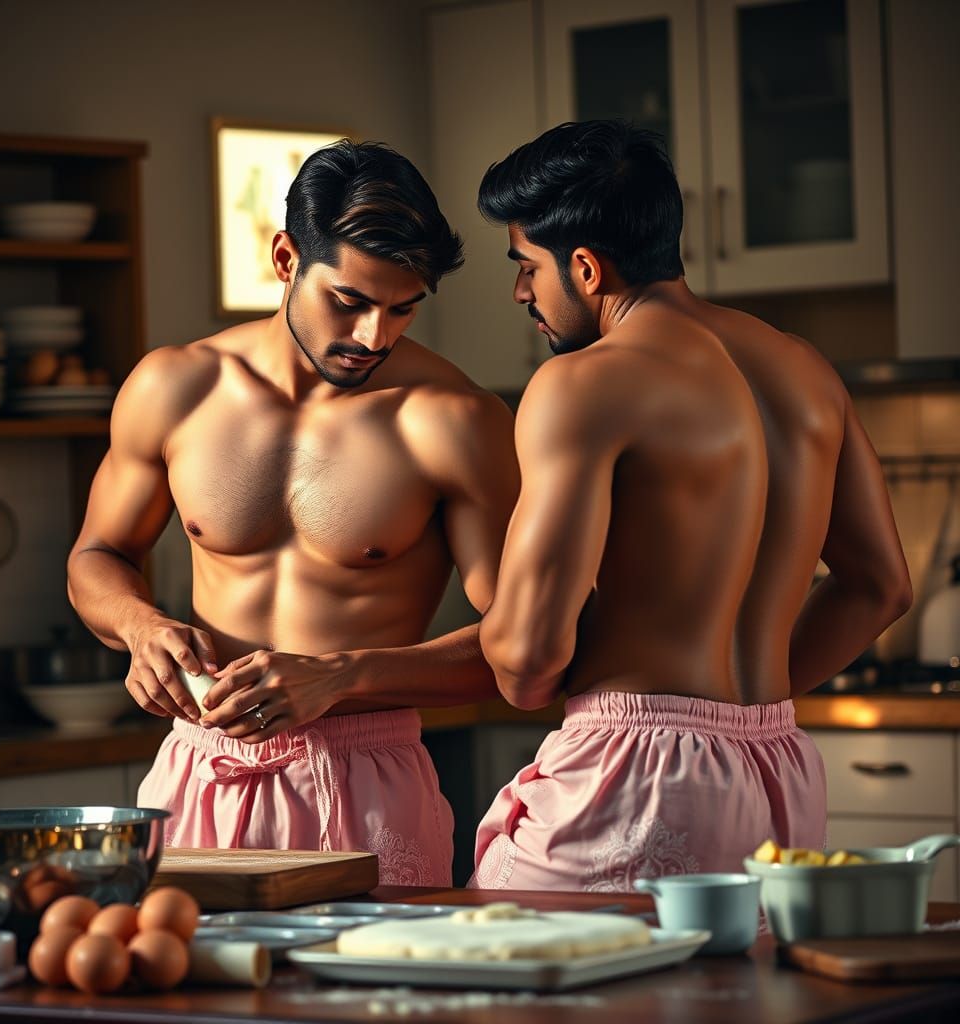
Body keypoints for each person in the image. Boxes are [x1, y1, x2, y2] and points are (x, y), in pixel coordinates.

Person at [469, 120, 912, 891]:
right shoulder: (805, 371)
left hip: (632, 778)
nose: (521, 293)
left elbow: (526, 666)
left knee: (501, 965)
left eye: (528, 267)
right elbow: (881, 587)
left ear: (586, 268)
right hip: (775, 766)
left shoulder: (584, 383)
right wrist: (737, 710)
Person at [66, 140, 519, 886]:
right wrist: (140, 628)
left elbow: (522, 650)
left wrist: (340, 676)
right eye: (350, 301)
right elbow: (98, 555)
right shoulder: (174, 388)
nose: (375, 337)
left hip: (366, 781)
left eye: (403, 309)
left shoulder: (454, 421)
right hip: (197, 773)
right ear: (286, 259)